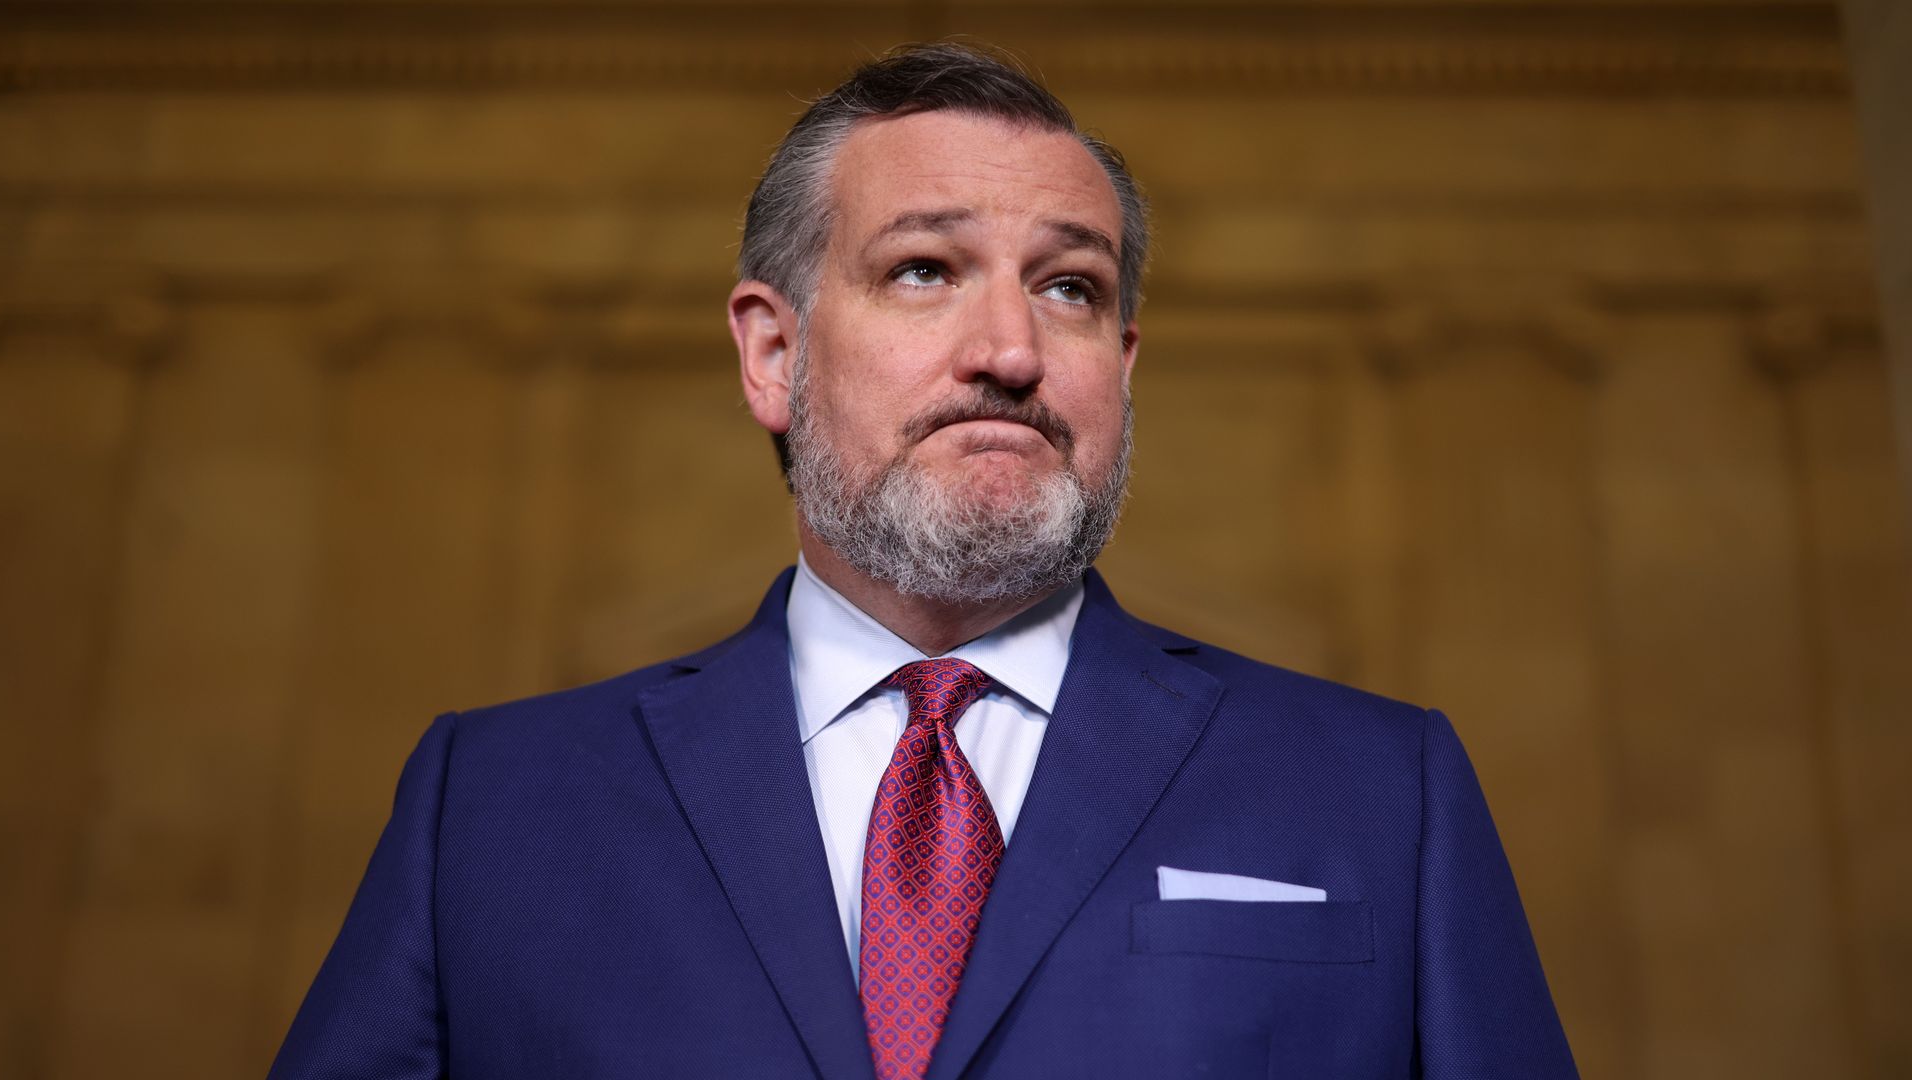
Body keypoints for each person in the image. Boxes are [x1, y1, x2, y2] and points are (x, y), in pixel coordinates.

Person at [271, 42, 1578, 1080]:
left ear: (1123, 366)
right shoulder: (490, 809)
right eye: (923, 270)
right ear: (772, 353)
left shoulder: (1385, 794)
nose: (1010, 349)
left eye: (1070, 288)